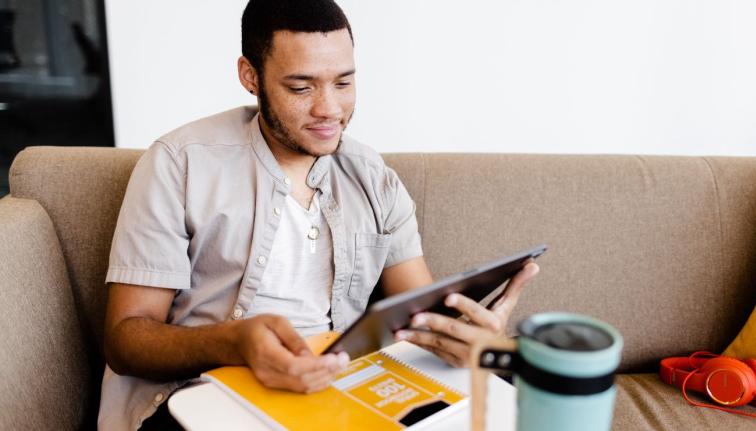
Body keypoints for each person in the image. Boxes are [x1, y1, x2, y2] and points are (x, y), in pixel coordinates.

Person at [99, 1, 539, 429]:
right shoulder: (179, 163)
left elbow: (420, 314)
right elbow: (125, 340)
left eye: (343, 83)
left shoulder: (375, 180)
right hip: (203, 398)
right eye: (301, 88)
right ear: (250, 76)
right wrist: (234, 342)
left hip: (340, 394)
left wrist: (468, 339)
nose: (329, 108)